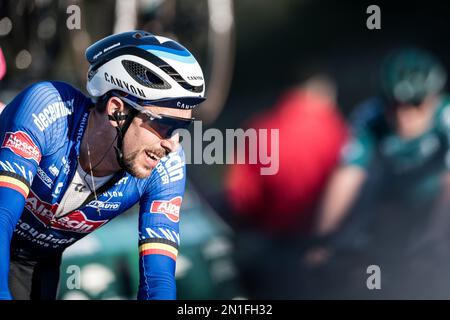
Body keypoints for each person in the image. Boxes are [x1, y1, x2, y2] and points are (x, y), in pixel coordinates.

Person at [0, 30, 206, 300]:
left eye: (182, 129)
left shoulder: (166, 168)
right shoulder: (48, 108)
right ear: (116, 110)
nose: (173, 144)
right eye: (165, 126)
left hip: (33, 263)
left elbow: (158, 281)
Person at [308, 48, 450, 298]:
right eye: (393, 104)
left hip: (439, 202)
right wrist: (323, 240)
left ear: (433, 98)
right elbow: (346, 177)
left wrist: (433, 237)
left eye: (416, 103)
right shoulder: (369, 117)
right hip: (395, 202)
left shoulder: (446, 116)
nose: (404, 115)